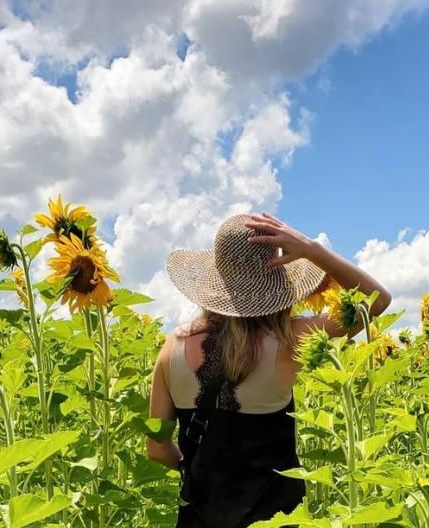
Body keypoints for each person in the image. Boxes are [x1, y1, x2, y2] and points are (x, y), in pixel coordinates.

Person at [147, 212, 392, 528]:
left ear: (215, 281)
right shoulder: (289, 341)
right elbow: (375, 302)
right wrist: (312, 250)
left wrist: (200, 470)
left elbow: (157, 448)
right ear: (276, 282)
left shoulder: (173, 346)